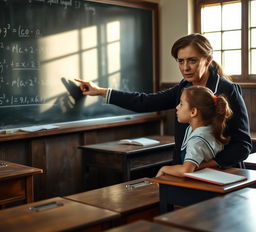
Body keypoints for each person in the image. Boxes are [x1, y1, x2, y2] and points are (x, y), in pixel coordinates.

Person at [76, 33, 252, 169]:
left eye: (192, 60)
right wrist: (100, 91)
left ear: (207, 60)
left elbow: (243, 146)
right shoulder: (183, 88)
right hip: (189, 173)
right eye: (180, 61)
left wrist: (205, 165)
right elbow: (145, 102)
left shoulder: (228, 90)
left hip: (223, 174)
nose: (185, 68)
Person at [156, 85, 232, 177]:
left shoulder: (197, 139)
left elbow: (186, 170)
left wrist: (164, 169)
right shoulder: (207, 128)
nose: (177, 107)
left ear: (193, 112)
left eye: (181, 104)